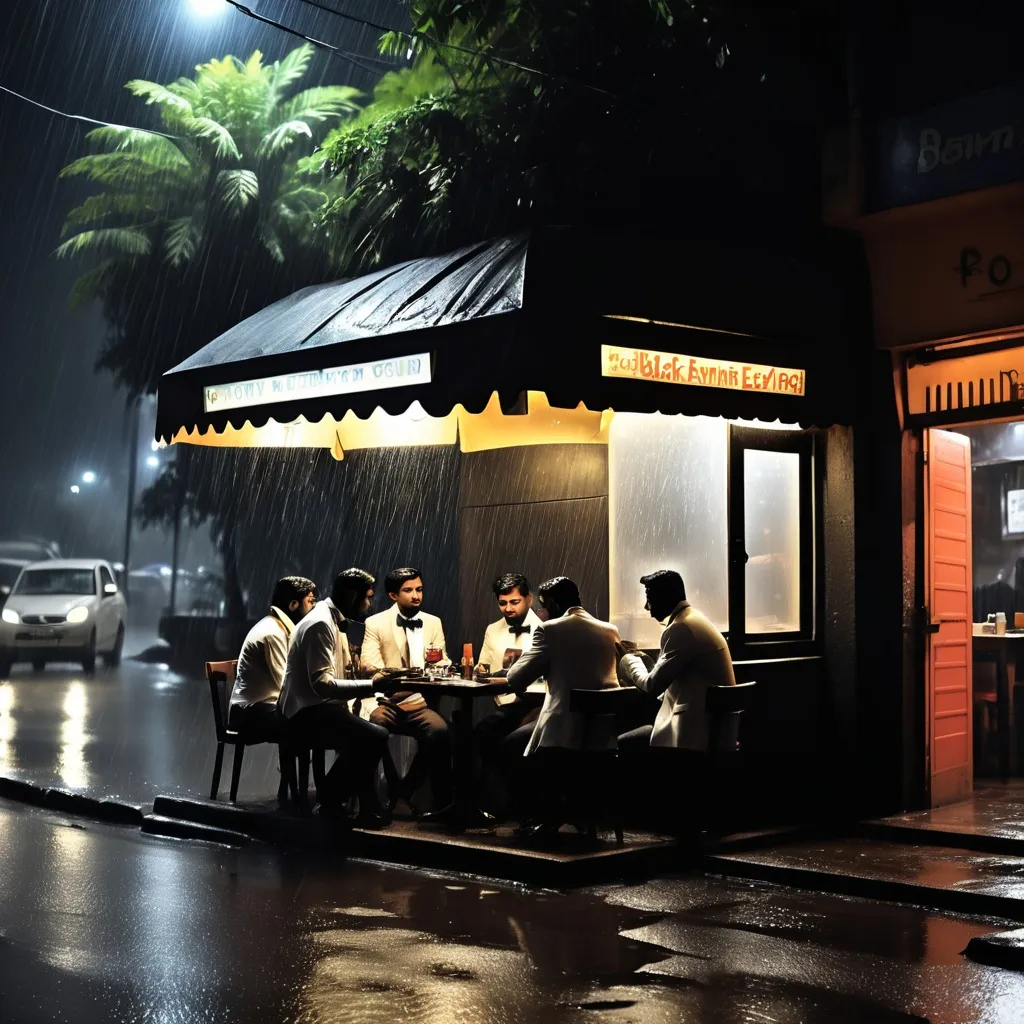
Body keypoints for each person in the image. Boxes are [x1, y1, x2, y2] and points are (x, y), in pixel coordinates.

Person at [617, 570, 736, 837]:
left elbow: (651, 686)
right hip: (712, 725)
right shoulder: (695, 620)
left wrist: (628, 660)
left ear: (666, 596)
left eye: (649, 598)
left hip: (692, 732)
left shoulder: (680, 629)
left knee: (622, 744)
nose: (647, 607)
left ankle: (647, 821)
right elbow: (669, 678)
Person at [278, 568, 394, 827]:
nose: (369, 605)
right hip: (304, 713)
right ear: (352, 596)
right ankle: (331, 798)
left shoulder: (330, 618)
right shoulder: (321, 623)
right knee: (375, 735)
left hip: (319, 708)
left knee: (370, 733)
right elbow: (321, 684)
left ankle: (364, 805)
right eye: (367, 598)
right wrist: (371, 685)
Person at [506, 577, 620, 828]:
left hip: (563, 730)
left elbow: (515, 679)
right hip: (601, 733)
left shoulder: (550, 630)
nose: (542, 613)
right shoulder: (609, 630)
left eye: (544, 606)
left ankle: (537, 817)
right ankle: (576, 813)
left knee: (509, 746)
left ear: (555, 604)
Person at [361, 568, 454, 823]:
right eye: (409, 590)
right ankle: (369, 800)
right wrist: (405, 674)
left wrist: (436, 665)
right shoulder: (376, 622)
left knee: (440, 732)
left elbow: (443, 659)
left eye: (419, 589)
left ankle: (413, 794)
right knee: (375, 729)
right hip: (386, 699)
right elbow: (369, 664)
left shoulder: (433, 622)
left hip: (417, 701)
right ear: (393, 594)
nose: (416, 596)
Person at [473, 573, 544, 820]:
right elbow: (482, 666)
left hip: (536, 703)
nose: (508, 608)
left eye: (515, 602)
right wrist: (479, 671)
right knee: (482, 735)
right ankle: (498, 802)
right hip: (504, 704)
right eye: (503, 603)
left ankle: (518, 804)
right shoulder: (493, 630)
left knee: (505, 742)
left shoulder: (545, 628)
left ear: (529, 599)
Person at [228, 576, 318, 737]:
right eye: (311, 601)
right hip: (249, 712)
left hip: (261, 708)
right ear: (293, 605)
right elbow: (285, 684)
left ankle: (294, 762)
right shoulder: (273, 632)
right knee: (310, 719)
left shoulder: (279, 628)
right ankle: (293, 763)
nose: (314, 607)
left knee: (310, 716)